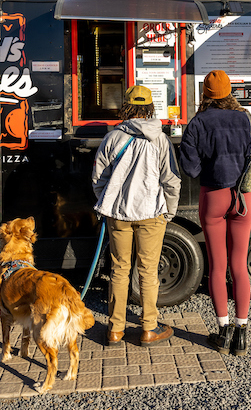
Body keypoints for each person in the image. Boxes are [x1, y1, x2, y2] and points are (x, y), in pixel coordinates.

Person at [179, 70, 251, 356]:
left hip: (214, 197)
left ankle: (222, 332)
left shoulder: (198, 123)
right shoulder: (246, 119)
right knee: (239, 265)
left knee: (217, 268)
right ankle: (242, 334)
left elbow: (190, 168)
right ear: (230, 91)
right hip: (243, 197)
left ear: (205, 93)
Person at [92, 85, 182, 347]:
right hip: (151, 213)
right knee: (148, 270)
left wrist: (105, 201)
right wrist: (171, 210)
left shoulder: (113, 138)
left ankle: (115, 330)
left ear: (127, 107)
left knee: (119, 270)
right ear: (150, 107)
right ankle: (148, 328)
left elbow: (99, 177)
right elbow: (171, 180)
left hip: (118, 214)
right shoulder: (160, 139)